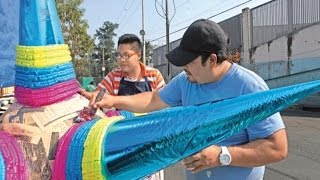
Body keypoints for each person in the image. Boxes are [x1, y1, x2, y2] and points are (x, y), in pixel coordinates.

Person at [90, 19, 288, 180]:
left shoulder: (250, 87)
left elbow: (277, 147)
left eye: (189, 62)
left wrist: (222, 156)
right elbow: (154, 98)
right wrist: (113, 101)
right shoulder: (187, 81)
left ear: (211, 60)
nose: (183, 67)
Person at [84, 33, 165, 180]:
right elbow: (99, 94)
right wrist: (91, 97)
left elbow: (164, 105)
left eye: (126, 55)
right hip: (122, 141)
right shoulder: (113, 76)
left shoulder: (154, 75)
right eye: (118, 55)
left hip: (150, 140)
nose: (121, 60)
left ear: (138, 55)